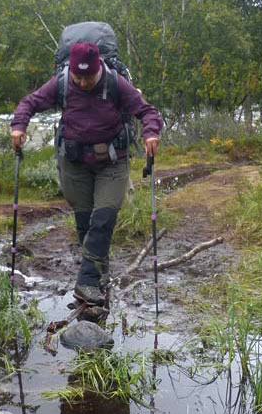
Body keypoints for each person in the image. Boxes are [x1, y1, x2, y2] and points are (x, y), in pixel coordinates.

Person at [10, 41, 163, 306]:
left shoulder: (116, 83)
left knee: (103, 217)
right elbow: (29, 102)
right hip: (74, 161)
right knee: (85, 223)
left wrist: (151, 132)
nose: (82, 82)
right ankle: (98, 269)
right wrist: (18, 125)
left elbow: (147, 110)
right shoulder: (61, 83)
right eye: (77, 77)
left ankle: (87, 282)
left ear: (98, 69)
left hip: (112, 161)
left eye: (88, 77)